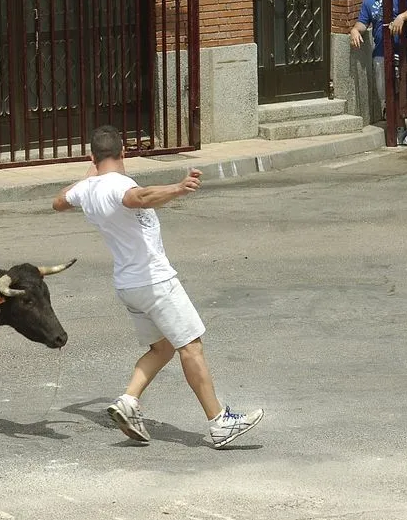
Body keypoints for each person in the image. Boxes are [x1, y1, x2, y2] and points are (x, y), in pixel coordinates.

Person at [51, 125, 264, 449]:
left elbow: (58, 202)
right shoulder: (118, 185)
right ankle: (219, 421)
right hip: (155, 281)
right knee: (191, 347)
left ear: (92, 157)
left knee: (161, 349)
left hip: (128, 285)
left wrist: (89, 177)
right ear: (124, 152)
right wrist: (178, 188)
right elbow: (139, 197)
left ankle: (128, 400)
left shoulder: (87, 189)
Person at [351, 0, 407, 145]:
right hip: (382, 53)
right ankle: (399, 127)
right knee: (391, 94)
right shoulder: (369, 0)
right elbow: (363, 22)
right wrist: (354, 30)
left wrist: (402, 17)